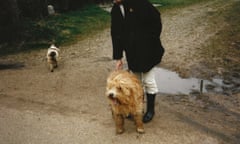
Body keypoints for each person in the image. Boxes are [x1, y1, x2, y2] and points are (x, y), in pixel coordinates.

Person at [110, 0, 164, 123]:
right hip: (132, 51)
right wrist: (118, 57)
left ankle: (150, 111)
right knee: (136, 82)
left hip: (148, 49)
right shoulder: (115, 9)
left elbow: (156, 19)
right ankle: (136, 109)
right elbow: (115, 33)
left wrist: (151, 38)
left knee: (148, 80)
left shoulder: (140, 2)